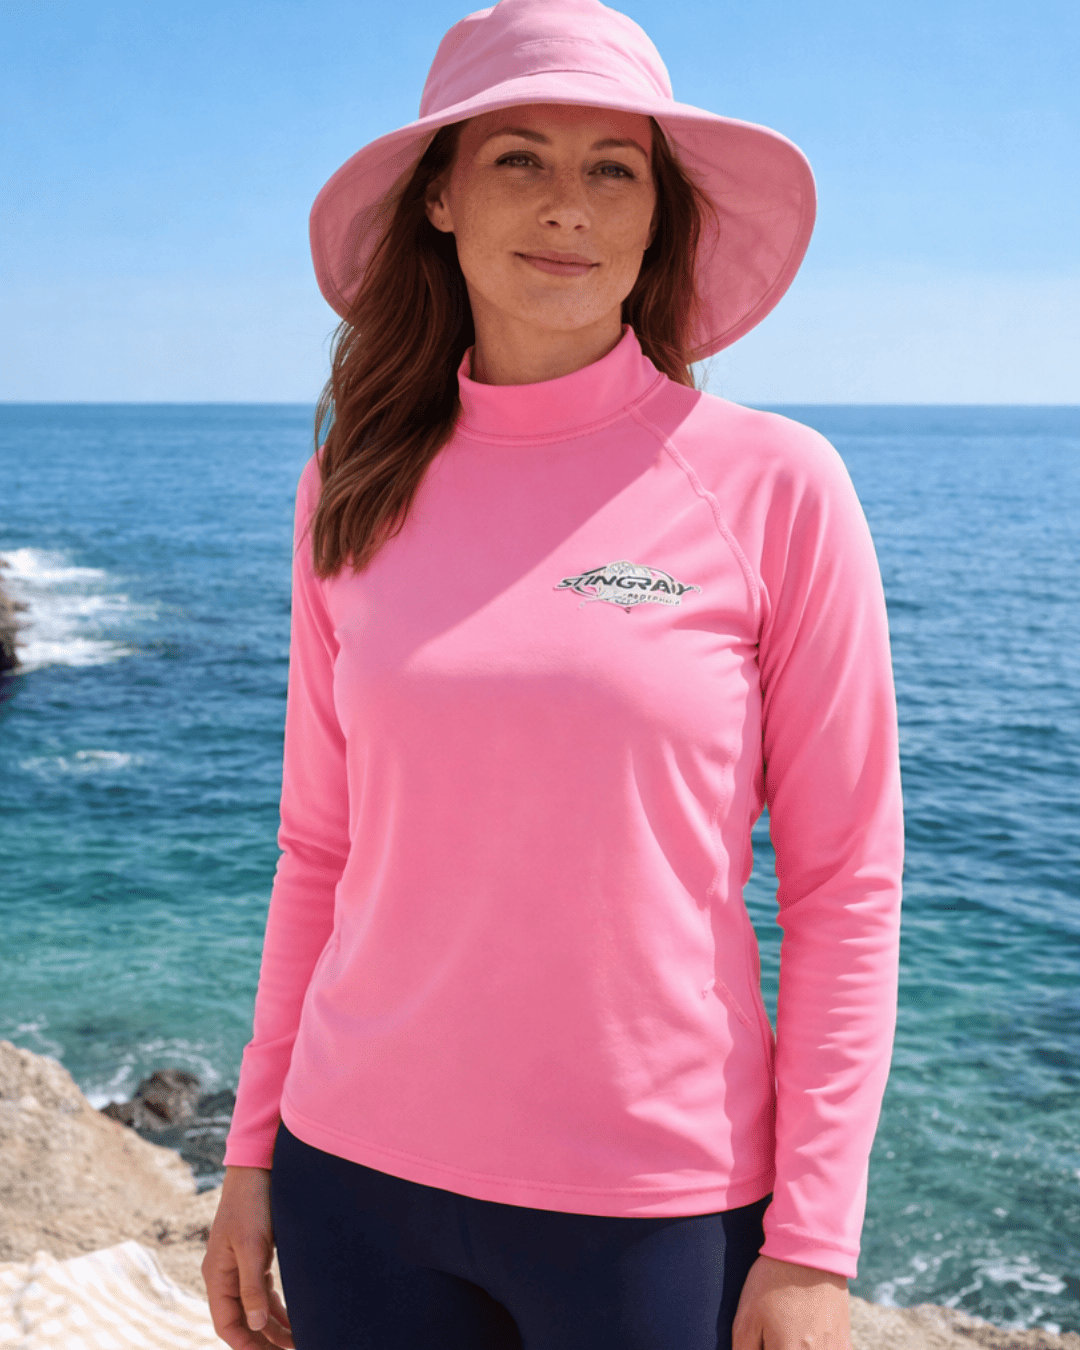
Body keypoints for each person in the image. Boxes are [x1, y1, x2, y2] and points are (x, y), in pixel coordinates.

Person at [202, 1, 904, 1346]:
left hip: (653, 1207)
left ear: (657, 218)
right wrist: (252, 1150)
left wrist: (813, 1242)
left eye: (614, 167)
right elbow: (317, 847)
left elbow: (843, 887)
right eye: (519, 157)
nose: (567, 205)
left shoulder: (775, 487)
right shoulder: (346, 492)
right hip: (355, 1178)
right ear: (443, 201)